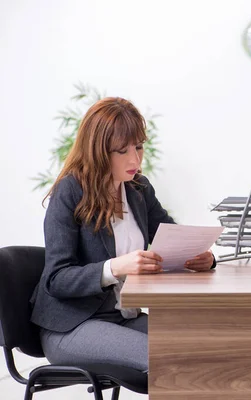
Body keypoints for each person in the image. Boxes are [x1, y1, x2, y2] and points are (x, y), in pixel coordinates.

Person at [30, 97, 216, 372]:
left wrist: (202, 258)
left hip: (122, 317)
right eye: (122, 151)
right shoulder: (70, 191)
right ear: (98, 151)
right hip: (72, 326)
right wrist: (115, 268)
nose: (135, 159)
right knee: (168, 359)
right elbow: (56, 279)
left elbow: (173, 237)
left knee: (205, 348)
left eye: (139, 147)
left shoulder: (138, 189)